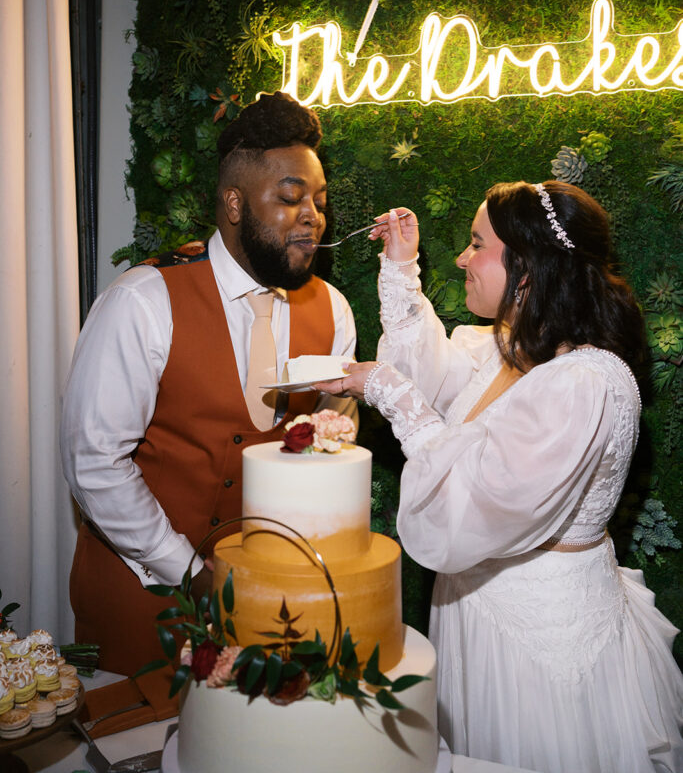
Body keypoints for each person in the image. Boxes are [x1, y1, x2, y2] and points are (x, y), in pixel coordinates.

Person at [317, 181, 683, 773]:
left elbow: (477, 492)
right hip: (476, 618)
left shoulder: (584, 384)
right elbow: (436, 380)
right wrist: (401, 266)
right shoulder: (509, 348)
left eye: (476, 244)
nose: (461, 258)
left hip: (533, 650)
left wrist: (389, 392)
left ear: (527, 268)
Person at [61, 91, 357, 677]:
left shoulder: (335, 311)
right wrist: (189, 569)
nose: (312, 216)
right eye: (290, 197)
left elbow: (328, 447)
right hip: (139, 607)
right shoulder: (142, 303)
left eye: (319, 201)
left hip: (268, 613)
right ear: (234, 204)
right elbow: (94, 461)